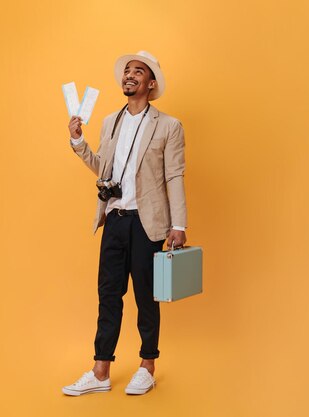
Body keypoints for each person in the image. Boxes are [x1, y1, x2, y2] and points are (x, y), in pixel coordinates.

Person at [62, 51, 187, 396]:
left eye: (139, 72)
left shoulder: (168, 126)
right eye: (127, 71)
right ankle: (100, 370)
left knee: (147, 297)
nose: (130, 76)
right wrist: (78, 142)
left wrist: (179, 224)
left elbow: (174, 175)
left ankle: (147, 365)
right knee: (108, 295)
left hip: (147, 224)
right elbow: (104, 168)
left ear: (151, 83)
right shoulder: (110, 122)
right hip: (114, 219)